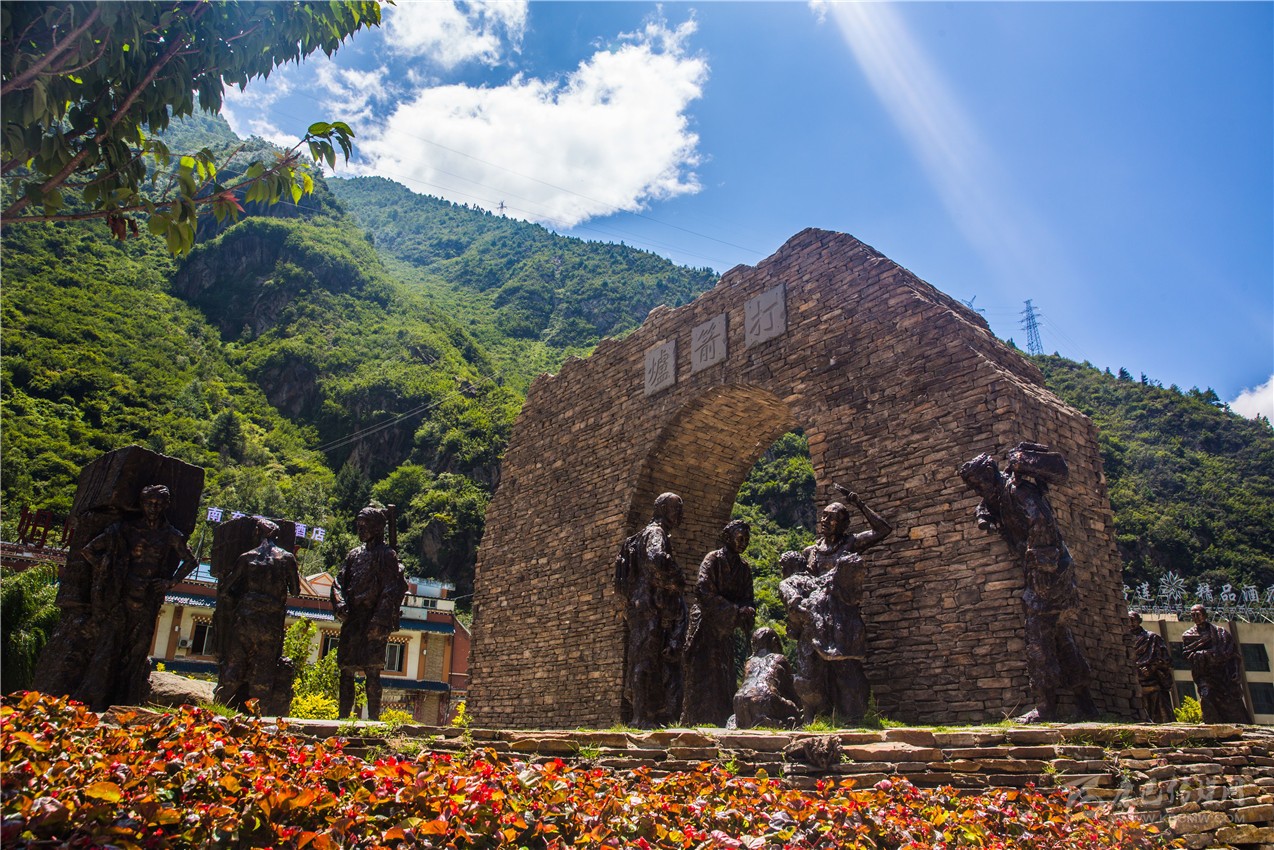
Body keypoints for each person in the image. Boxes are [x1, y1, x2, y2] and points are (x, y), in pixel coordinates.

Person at [959, 442, 1098, 722]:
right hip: (1047, 569)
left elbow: (1040, 521)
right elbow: (986, 506)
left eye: (977, 483)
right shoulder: (998, 494)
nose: (976, 490)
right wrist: (984, 517)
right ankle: (1085, 702)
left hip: (1049, 571)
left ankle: (1046, 707)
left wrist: (1037, 563)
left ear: (989, 474)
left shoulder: (1018, 490)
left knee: (1038, 637)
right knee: (1060, 635)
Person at [78, 484, 198, 709]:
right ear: (141, 504)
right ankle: (93, 699)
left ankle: (127, 700)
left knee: (137, 651)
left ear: (166, 505)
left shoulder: (171, 535)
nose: (153, 507)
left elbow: (191, 561)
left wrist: (169, 582)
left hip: (148, 598)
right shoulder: (125, 529)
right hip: (121, 596)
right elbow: (89, 550)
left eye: (158, 503)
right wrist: (108, 571)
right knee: (108, 647)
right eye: (149, 503)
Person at [781, 486, 892, 724]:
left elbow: (883, 529)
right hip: (815, 613)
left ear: (843, 524)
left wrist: (859, 503)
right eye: (823, 516)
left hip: (841, 613)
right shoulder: (811, 552)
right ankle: (816, 715)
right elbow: (805, 580)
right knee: (809, 666)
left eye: (831, 518)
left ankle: (851, 714)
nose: (825, 521)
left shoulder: (850, 543)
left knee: (844, 667)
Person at [614, 492, 688, 727]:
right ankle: (641, 716)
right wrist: (677, 576)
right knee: (646, 660)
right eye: (676, 508)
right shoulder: (656, 533)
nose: (680, 514)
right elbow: (656, 560)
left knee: (645, 658)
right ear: (663, 509)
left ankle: (648, 713)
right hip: (649, 605)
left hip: (641, 605)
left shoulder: (643, 535)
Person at [213, 518, 301, 713]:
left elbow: (226, 588)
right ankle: (258, 717)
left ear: (256, 533)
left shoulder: (247, 557)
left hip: (246, 619)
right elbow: (295, 590)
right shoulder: (287, 558)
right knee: (262, 674)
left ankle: (216, 711)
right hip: (270, 622)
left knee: (233, 668)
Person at [332, 505, 408, 720]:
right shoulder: (354, 555)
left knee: (372, 670)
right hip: (353, 618)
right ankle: (343, 716)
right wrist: (339, 604)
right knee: (346, 669)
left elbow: (391, 589)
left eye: (364, 525)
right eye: (358, 525)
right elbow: (339, 582)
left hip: (374, 619)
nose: (360, 529)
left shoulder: (387, 555)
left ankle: (374, 717)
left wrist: (379, 620)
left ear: (376, 527)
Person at [681, 519, 755, 726]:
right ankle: (695, 719)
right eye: (740, 538)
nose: (743, 543)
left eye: (747, 539)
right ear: (728, 538)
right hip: (705, 622)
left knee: (724, 672)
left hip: (725, 627)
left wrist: (747, 609)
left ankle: (723, 717)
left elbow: (748, 597)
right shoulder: (712, 559)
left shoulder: (744, 568)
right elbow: (703, 590)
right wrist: (734, 610)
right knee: (702, 670)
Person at [1181, 604, 1251, 724]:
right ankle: (1212, 724)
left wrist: (1235, 671)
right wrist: (1206, 655)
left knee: (1230, 702)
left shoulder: (1220, 632)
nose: (1196, 617)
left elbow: (1233, 654)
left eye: (1198, 614)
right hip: (1205, 674)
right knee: (1206, 696)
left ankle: (1239, 724)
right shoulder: (1188, 635)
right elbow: (1187, 655)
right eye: (1193, 615)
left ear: (1205, 615)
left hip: (1223, 674)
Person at [732, 627, 800, 729]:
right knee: (794, 710)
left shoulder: (749, 662)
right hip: (765, 696)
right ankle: (775, 722)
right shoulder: (779, 659)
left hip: (739, 699)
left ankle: (751, 722)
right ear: (774, 642)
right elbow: (790, 688)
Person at [1127, 610, 1175, 723]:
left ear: (1139, 621)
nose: (1131, 623)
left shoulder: (1152, 637)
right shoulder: (1124, 639)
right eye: (1128, 620)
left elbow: (1166, 659)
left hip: (1153, 681)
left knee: (1161, 714)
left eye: (1133, 620)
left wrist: (1152, 667)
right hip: (1135, 680)